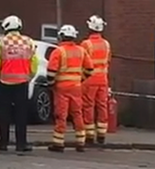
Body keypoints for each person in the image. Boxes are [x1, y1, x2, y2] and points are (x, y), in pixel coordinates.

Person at [0, 15, 40, 152]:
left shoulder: (0, 41)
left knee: (4, 113)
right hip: (22, 82)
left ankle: (3, 143)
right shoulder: (28, 41)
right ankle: (21, 144)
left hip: (4, 82)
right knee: (21, 114)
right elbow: (34, 61)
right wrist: (30, 75)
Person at [47, 24, 93, 152]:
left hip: (61, 88)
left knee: (61, 114)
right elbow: (89, 69)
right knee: (77, 113)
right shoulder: (81, 51)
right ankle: (80, 142)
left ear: (62, 36)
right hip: (76, 87)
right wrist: (80, 79)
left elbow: (51, 71)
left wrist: (51, 84)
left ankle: (58, 143)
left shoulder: (58, 51)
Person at [81, 15, 112, 146]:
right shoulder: (106, 44)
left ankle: (89, 135)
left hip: (89, 79)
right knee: (102, 106)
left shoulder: (86, 44)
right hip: (103, 80)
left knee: (88, 106)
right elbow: (108, 61)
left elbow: (81, 62)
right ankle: (102, 135)